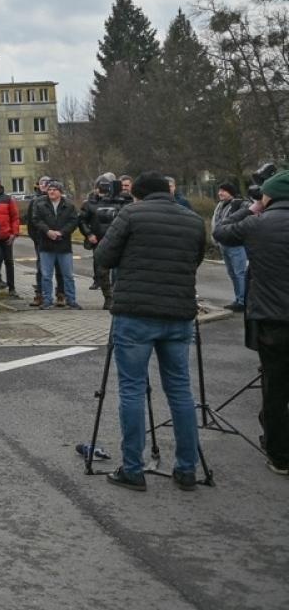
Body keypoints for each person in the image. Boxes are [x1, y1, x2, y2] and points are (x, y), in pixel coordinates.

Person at [93, 171, 206, 491]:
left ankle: (133, 468)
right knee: (180, 390)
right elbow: (195, 259)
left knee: (132, 389)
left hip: (135, 313)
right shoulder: (193, 220)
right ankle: (187, 469)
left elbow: (104, 256)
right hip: (178, 313)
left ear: (137, 194)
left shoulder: (131, 214)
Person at [213, 168, 289, 475]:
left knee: (275, 388)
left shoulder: (258, 223)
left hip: (272, 319)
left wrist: (251, 208)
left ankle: (280, 454)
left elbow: (221, 232)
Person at [81, 172, 132, 308]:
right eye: (100, 187)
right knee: (102, 271)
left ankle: (119, 296)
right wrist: (89, 234)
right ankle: (108, 297)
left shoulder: (123, 201)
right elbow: (82, 220)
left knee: (121, 270)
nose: (103, 191)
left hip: (119, 240)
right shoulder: (90, 203)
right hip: (99, 241)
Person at [29, 180, 82, 309]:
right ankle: (47, 300)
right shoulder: (40, 205)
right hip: (46, 245)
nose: (51, 192)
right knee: (46, 275)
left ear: (60, 192)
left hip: (64, 246)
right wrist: (47, 231)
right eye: (50, 189)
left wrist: (62, 232)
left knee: (68, 275)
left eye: (54, 189)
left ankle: (71, 300)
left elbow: (73, 222)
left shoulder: (69, 205)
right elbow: (36, 220)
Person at [213, 181, 251, 312]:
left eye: (223, 190)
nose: (220, 193)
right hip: (224, 244)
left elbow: (250, 209)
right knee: (232, 273)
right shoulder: (220, 205)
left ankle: (242, 301)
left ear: (231, 192)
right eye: (219, 190)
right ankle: (238, 299)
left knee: (239, 273)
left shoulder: (239, 203)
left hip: (236, 244)